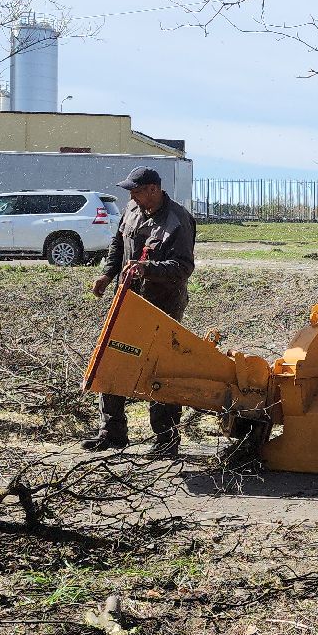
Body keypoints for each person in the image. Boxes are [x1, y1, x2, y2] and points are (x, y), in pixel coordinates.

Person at [87, 166, 196, 457]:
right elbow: (117, 244)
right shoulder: (132, 209)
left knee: (159, 369)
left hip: (162, 305)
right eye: (130, 192)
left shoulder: (178, 220)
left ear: (153, 189)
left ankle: (165, 440)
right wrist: (107, 275)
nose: (132, 196)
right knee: (113, 359)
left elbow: (184, 267)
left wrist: (147, 268)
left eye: (136, 190)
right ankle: (112, 434)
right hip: (127, 300)